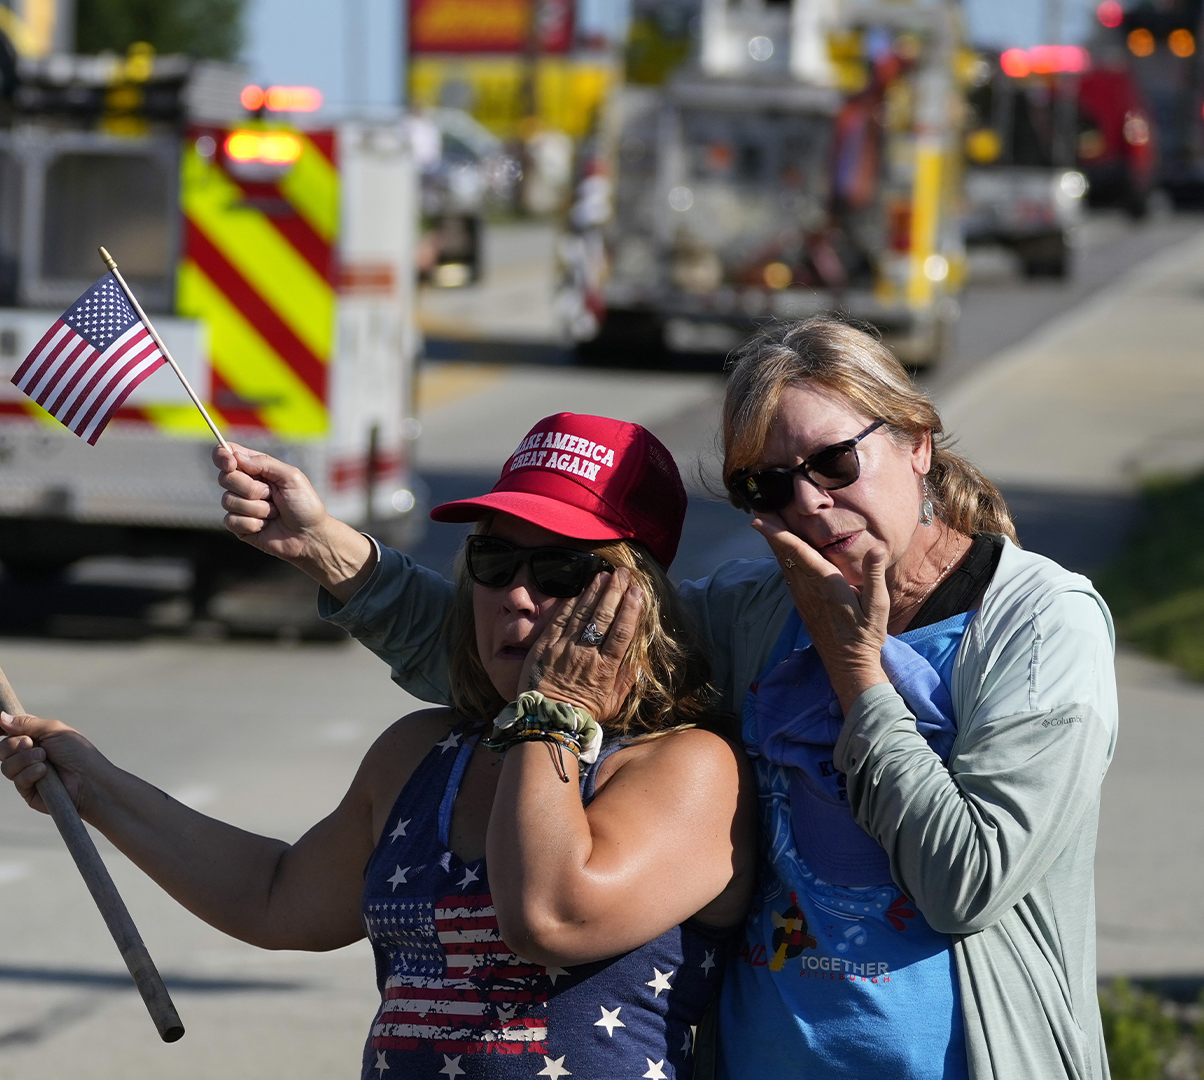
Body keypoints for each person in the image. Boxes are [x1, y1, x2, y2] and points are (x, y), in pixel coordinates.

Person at [215, 317, 1116, 1080]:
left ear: (917, 442)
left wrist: (856, 675)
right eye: (767, 486)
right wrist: (328, 550)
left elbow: (967, 883)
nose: (809, 503)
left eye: (836, 463)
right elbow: (531, 643)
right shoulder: (762, 611)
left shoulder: (1039, 625)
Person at [0, 413, 756, 1079]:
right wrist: (96, 788)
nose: (519, 595)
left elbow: (549, 918)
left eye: (561, 569)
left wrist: (552, 711)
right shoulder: (421, 752)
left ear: (636, 596)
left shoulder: (686, 767)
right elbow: (278, 898)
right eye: (494, 562)